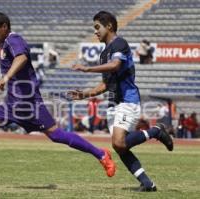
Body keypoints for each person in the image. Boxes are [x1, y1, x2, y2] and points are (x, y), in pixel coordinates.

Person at [0, 12, 116, 187]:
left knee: (57, 136)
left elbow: (22, 57)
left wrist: (6, 78)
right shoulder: (5, 44)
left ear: (4, 27)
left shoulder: (14, 40)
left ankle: (102, 155)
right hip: (13, 104)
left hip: (28, 104)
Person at [68, 11, 173, 192]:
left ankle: (156, 131)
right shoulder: (103, 55)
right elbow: (105, 84)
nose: (95, 32)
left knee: (118, 142)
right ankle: (147, 183)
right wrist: (85, 94)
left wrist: (86, 69)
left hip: (128, 99)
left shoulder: (120, 43)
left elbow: (116, 65)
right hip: (113, 104)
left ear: (109, 26)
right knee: (120, 147)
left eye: (97, 27)